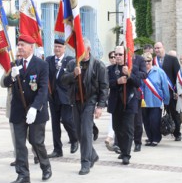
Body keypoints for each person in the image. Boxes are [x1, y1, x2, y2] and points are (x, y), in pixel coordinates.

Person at [3, 34, 51, 183]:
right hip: (18, 111)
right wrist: (11, 76)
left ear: (31, 47)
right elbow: (4, 82)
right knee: (19, 144)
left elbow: (43, 90)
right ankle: (23, 175)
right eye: (19, 45)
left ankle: (45, 166)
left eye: (23, 45)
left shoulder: (41, 65)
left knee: (36, 142)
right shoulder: (15, 63)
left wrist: (35, 108)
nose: (20, 47)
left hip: (36, 110)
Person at [62, 38, 108, 175]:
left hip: (90, 101)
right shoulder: (72, 64)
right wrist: (73, 74)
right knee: (78, 131)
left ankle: (85, 162)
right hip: (75, 101)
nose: (78, 52)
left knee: (86, 132)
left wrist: (100, 106)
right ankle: (92, 155)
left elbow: (104, 87)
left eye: (81, 49)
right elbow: (63, 80)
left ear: (88, 49)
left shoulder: (98, 65)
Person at [107, 46, 142, 164]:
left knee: (128, 129)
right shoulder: (110, 69)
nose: (117, 57)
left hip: (129, 101)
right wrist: (117, 82)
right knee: (117, 128)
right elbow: (106, 83)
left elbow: (138, 83)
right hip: (116, 103)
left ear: (125, 55)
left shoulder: (133, 68)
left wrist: (129, 75)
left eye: (120, 55)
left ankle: (126, 154)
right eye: (115, 54)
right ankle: (122, 150)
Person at [46, 38, 78, 158]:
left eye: (59, 47)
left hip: (66, 96)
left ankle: (74, 139)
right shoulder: (48, 60)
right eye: (55, 47)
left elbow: (72, 78)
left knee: (66, 120)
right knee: (55, 124)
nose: (57, 49)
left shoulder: (70, 61)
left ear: (64, 48)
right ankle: (57, 149)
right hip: (53, 97)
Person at [154, 42, 182, 141]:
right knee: (157, 114)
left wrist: (177, 91)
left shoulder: (172, 59)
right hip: (157, 92)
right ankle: (159, 133)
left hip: (170, 92)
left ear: (163, 48)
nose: (157, 50)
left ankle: (177, 133)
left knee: (174, 113)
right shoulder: (153, 61)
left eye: (159, 48)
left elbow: (178, 76)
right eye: (155, 48)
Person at [141, 52, 170, 146]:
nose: (146, 63)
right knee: (146, 121)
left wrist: (166, 101)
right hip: (143, 102)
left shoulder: (159, 72)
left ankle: (156, 138)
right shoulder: (140, 72)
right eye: (144, 61)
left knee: (154, 121)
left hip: (155, 101)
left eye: (148, 61)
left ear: (152, 61)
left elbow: (165, 86)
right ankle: (150, 138)